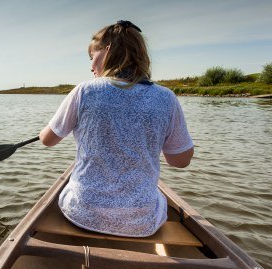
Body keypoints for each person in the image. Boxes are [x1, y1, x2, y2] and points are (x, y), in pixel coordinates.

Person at [39, 20, 194, 237]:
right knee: (158, 200)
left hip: (83, 213)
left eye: (92, 57)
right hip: (142, 222)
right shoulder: (166, 98)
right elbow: (180, 161)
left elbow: (47, 140)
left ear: (108, 51)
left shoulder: (85, 91)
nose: (91, 66)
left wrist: (44, 131)